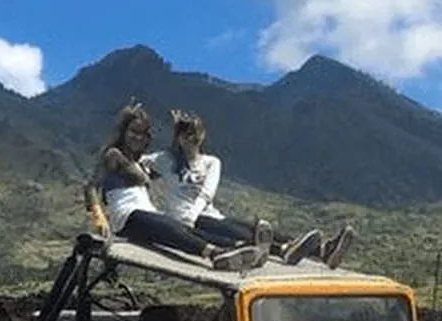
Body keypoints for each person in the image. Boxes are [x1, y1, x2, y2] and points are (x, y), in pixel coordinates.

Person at [143, 109, 354, 269]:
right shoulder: (164, 159)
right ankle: (285, 250)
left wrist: (195, 212)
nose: (193, 138)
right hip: (186, 219)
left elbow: (208, 192)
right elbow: (136, 162)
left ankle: (321, 250)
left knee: (255, 227)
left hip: (205, 213)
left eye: (197, 133)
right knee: (240, 233)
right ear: (179, 138)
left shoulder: (211, 162)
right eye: (188, 134)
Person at [83, 102, 267, 271]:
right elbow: (91, 186)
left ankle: (235, 248)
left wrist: (182, 131)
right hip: (126, 216)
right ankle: (214, 254)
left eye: (142, 133)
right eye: (133, 131)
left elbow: (173, 166)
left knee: (183, 229)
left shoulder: (139, 163)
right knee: (170, 228)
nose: (137, 137)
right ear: (123, 131)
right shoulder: (113, 155)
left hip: (147, 214)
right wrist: (98, 216)